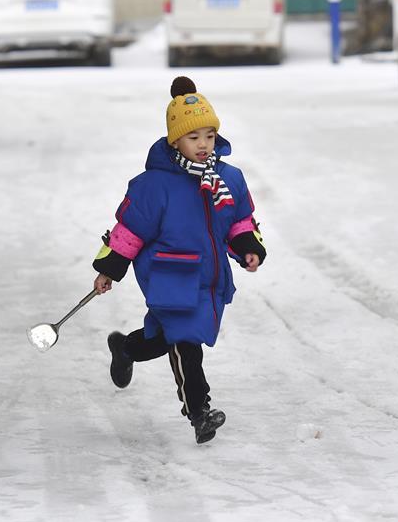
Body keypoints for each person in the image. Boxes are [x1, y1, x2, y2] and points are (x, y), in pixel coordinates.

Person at [92, 76, 267, 444]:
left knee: (163, 340)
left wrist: (248, 245)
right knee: (186, 342)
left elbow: (238, 220)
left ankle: (125, 349)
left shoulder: (227, 179)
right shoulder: (154, 187)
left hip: (208, 276)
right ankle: (199, 413)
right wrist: (110, 268)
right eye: (193, 138)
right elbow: (130, 229)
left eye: (209, 136)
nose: (203, 145)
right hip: (170, 275)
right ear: (175, 140)